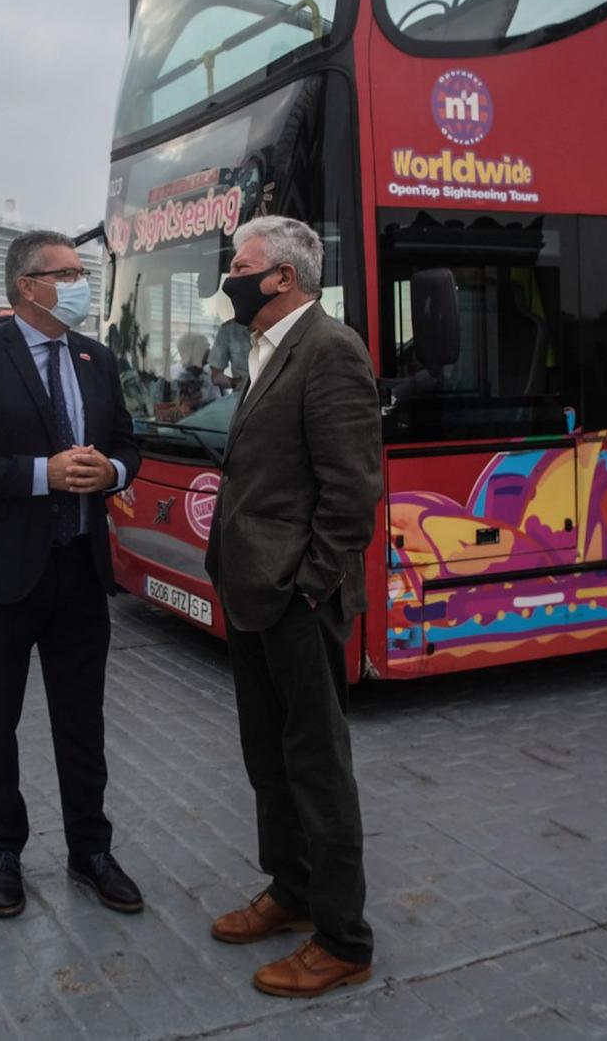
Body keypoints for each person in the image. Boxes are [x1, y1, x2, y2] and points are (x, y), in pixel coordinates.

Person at [0, 231, 143, 921]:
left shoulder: (97, 359)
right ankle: (5, 852)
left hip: (79, 567)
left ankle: (91, 850)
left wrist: (110, 471)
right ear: (28, 285)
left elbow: (127, 443)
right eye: (69, 272)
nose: (82, 283)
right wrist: (39, 475)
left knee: (83, 721)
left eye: (83, 272)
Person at [203, 216, 384, 1000]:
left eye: (239, 266)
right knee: (268, 758)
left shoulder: (331, 350)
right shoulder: (266, 349)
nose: (228, 278)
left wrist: (307, 586)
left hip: (294, 600)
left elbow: (353, 493)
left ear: (281, 276)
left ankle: (342, 938)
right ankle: (292, 890)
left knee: (316, 768)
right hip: (254, 592)